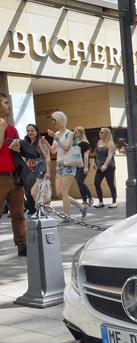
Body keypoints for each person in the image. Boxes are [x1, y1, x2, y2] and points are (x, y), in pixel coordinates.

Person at [0, 92, 40, 256]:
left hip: (14, 177)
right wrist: (1, 126)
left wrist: (19, 148)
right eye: (4, 102)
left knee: (18, 214)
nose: (8, 105)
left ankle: (22, 245)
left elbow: (17, 152)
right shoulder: (4, 127)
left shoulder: (13, 129)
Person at [48, 111, 87, 218]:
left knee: (64, 191)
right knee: (59, 193)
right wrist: (45, 143)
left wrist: (56, 138)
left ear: (60, 120)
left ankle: (67, 217)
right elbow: (53, 151)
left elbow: (66, 148)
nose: (53, 122)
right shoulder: (56, 134)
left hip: (69, 165)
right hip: (59, 165)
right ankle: (81, 206)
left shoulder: (69, 133)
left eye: (54, 120)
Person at [93, 128, 117, 208]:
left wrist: (105, 165)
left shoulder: (110, 143)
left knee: (110, 184)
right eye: (99, 132)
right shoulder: (99, 142)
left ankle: (114, 202)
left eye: (102, 132)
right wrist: (95, 163)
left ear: (106, 134)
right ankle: (101, 202)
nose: (99, 133)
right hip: (100, 166)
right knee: (96, 183)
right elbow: (96, 154)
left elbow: (110, 155)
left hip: (109, 166)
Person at [22, 123, 41, 215]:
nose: (30, 132)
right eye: (28, 131)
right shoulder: (26, 143)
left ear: (37, 131)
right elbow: (25, 158)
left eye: (32, 130)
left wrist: (48, 171)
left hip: (39, 170)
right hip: (29, 171)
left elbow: (47, 157)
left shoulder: (41, 141)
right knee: (27, 192)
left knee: (35, 192)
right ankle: (32, 210)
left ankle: (39, 211)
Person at [73, 126, 93, 207]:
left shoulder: (85, 143)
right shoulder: (74, 143)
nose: (74, 133)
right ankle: (84, 201)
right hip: (75, 165)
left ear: (80, 133)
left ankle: (90, 196)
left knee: (80, 181)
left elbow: (86, 156)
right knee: (79, 183)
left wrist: (86, 167)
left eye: (76, 132)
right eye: (74, 132)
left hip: (82, 165)